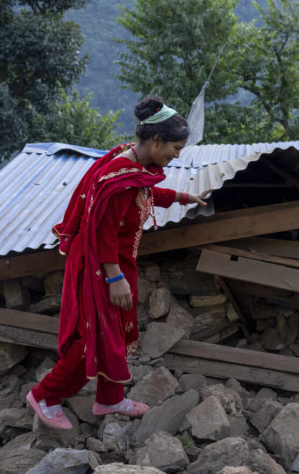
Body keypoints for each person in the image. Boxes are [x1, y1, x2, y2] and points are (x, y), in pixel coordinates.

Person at [26, 97, 209, 430]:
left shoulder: (129, 161)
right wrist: (115, 279)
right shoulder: (119, 179)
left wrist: (183, 197)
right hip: (100, 265)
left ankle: (109, 399)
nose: (177, 155)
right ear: (156, 141)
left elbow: (145, 193)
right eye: (176, 147)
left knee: (114, 329)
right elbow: (105, 232)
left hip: (113, 264)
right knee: (91, 336)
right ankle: (44, 395)